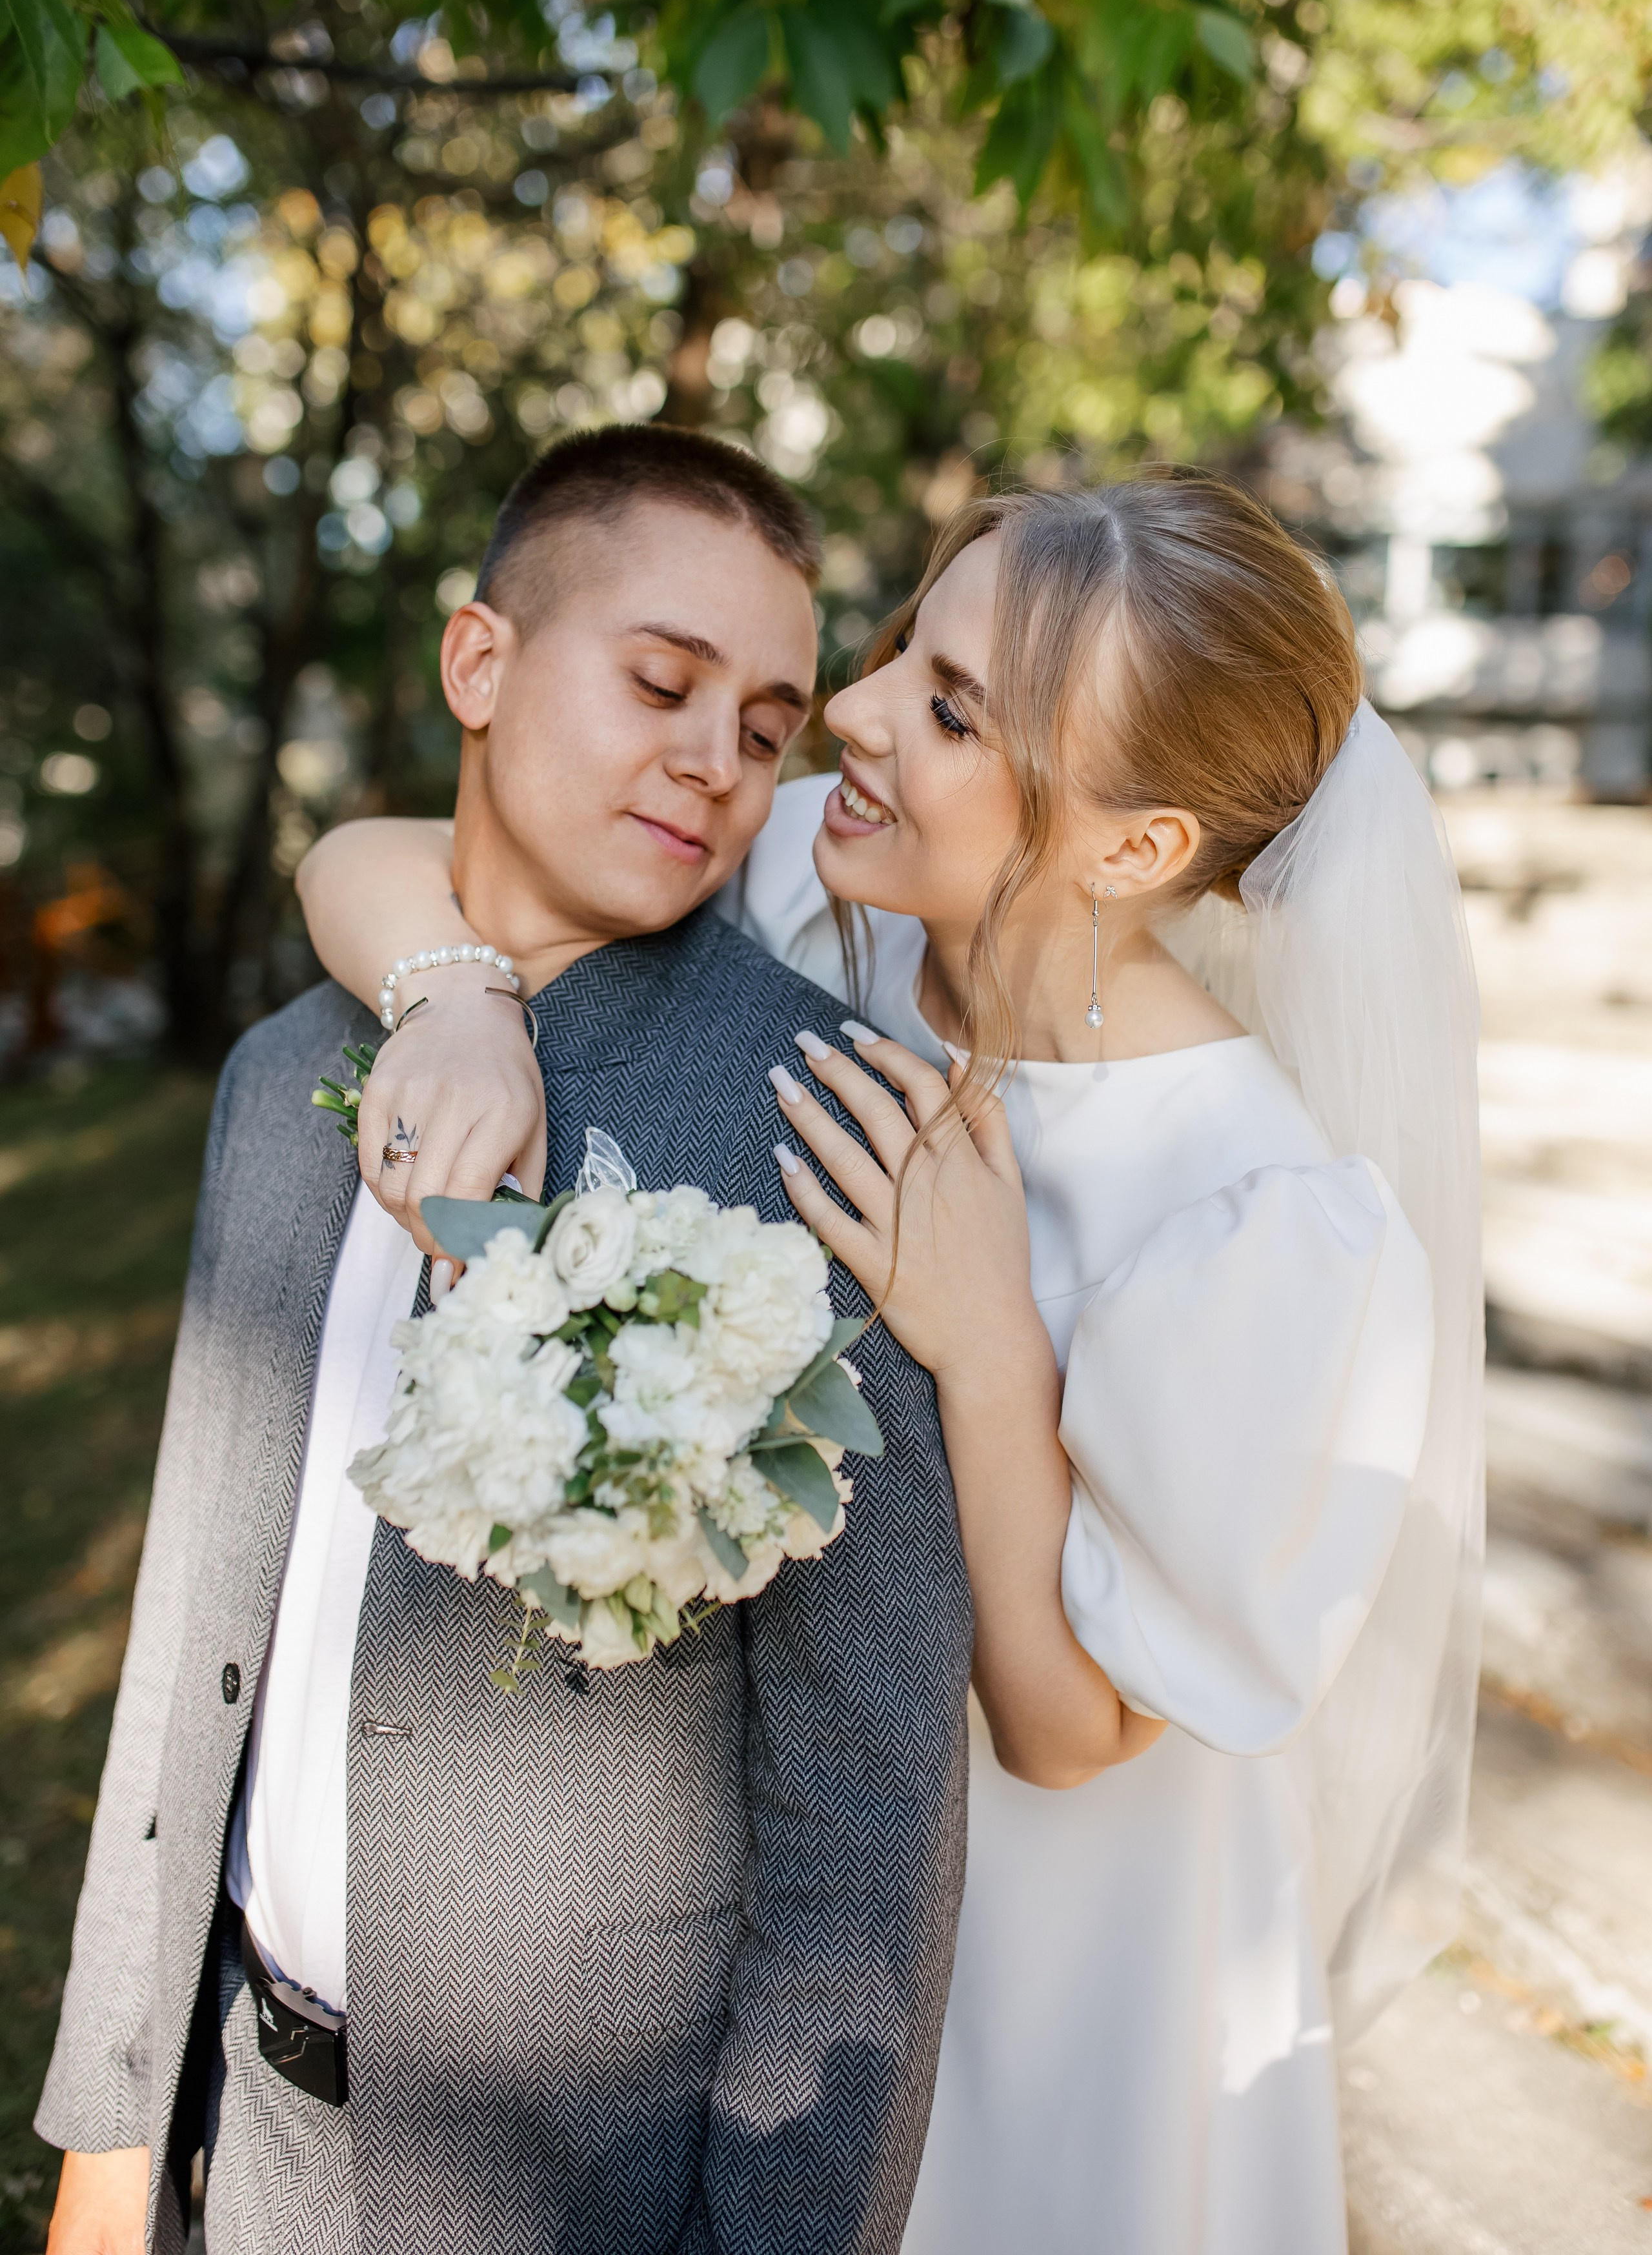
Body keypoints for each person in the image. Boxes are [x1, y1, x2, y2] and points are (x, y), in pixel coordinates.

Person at [297, 469, 1484, 2255]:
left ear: (1138, 849)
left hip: (1054, 1957)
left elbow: (1073, 1734)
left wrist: (991, 1338)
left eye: (944, 711)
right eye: (898, 655)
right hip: (788, 1874)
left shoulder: (1260, 1216)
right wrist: (458, 989)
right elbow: (383, 855)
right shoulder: (813, 898)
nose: (842, 721)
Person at [37, 426, 976, 2255]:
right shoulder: (284, 1069)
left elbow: (865, 1811)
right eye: (660, 680)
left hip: (581, 2195)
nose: (715, 763)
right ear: (481, 664)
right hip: (240, 2139)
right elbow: (191, 1627)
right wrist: (108, 2131)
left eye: (768, 724)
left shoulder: (831, 1134)